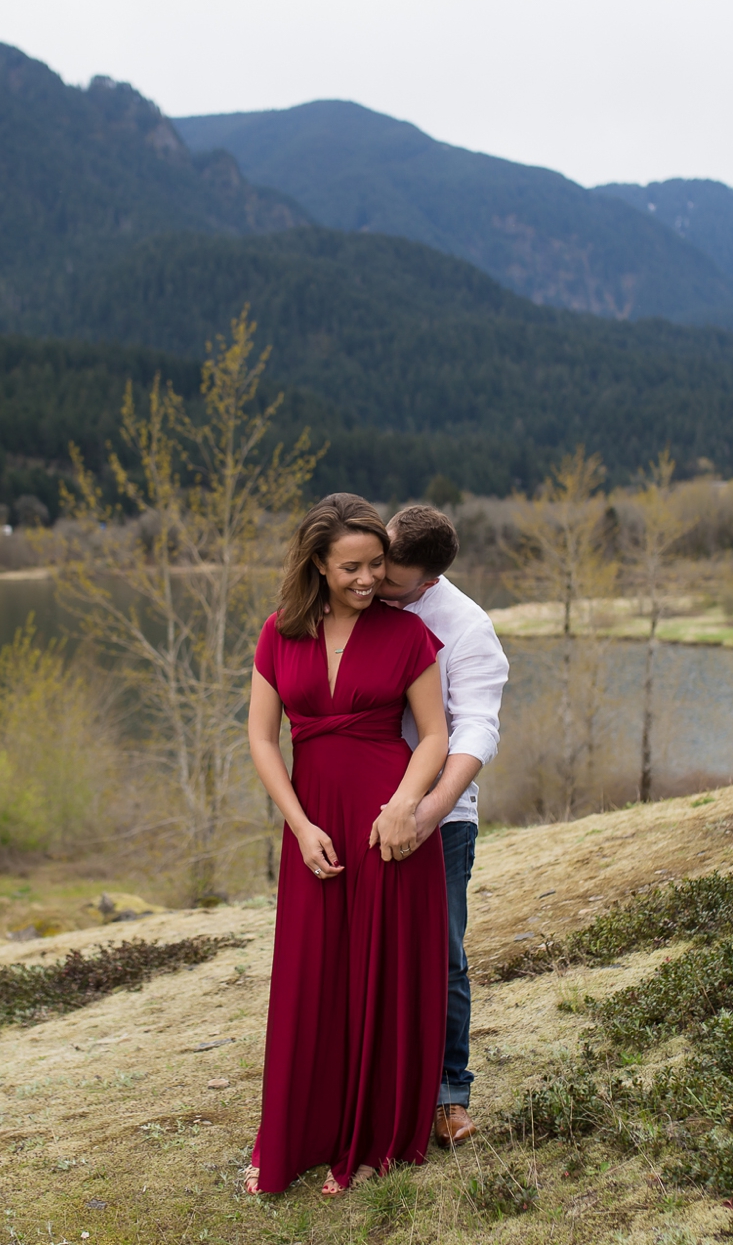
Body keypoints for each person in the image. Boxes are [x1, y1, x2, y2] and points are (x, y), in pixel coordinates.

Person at [245, 493, 453, 1197]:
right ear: (317, 565)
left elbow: (435, 738)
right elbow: (260, 738)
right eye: (352, 568)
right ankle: (299, 1135)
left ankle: (375, 1140)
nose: (368, 580)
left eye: (377, 565)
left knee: (383, 979)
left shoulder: (406, 635)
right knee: (314, 979)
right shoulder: (280, 631)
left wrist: (404, 809)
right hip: (314, 824)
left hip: (388, 824)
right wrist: (299, 825)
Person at [372, 504, 510, 1150]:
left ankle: (449, 1094)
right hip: (358, 808)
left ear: (425, 583)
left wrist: (429, 810)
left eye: (392, 582)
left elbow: (477, 728)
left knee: (442, 958)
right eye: (374, 567)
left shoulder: (466, 628)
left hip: (440, 817)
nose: (377, 586)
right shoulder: (359, 594)